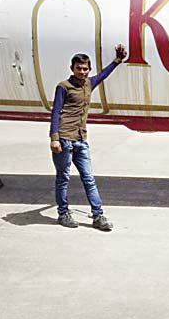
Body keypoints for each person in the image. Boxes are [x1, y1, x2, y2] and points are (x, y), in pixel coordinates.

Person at [49, 44, 128, 230]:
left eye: (85, 69)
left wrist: (117, 60)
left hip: (81, 139)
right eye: (79, 68)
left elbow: (103, 75)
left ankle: (98, 216)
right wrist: (54, 137)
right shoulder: (63, 87)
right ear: (72, 68)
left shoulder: (89, 84)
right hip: (64, 139)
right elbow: (55, 112)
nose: (82, 72)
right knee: (63, 178)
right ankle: (63, 213)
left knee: (89, 178)